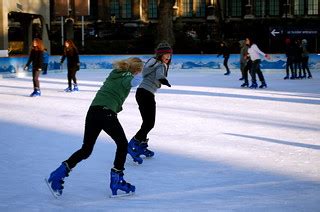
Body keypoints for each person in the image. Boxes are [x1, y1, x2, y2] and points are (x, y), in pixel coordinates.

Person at [46, 57, 144, 197]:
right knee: (122, 144)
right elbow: (133, 82)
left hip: (93, 112)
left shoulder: (115, 72)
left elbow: (128, 80)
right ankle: (117, 180)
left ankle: (58, 174)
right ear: (136, 70)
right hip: (106, 113)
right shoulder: (127, 76)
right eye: (140, 70)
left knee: (86, 150)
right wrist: (144, 75)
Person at [127, 41, 172, 164]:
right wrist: (163, 80)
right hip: (146, 94)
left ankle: (141, 145)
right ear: (160, 55)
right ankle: (133, 145)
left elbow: (149, 73)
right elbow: (159, 75)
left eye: (169, 54)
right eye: (165, 54)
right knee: (149, 123)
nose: (168, 56)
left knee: (147, 123)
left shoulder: (152, 63)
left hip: (142, 93)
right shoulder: (160, 65)